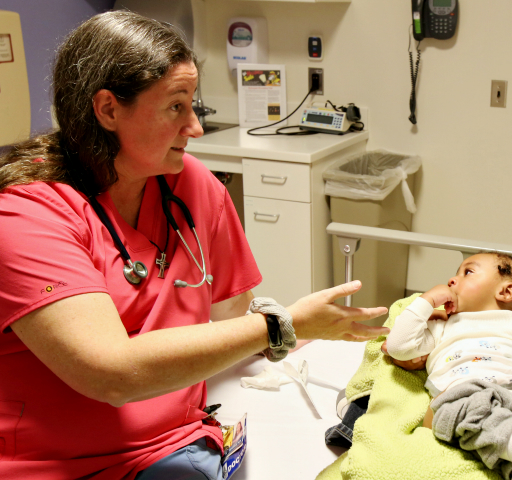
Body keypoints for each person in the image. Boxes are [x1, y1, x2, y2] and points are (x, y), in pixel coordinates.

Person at [0, 11, 388, 480]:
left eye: (193, 105)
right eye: (175, 106)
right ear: (107, 110)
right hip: (60, 464)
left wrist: (317, 332)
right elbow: (111, 374)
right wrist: (277, 326)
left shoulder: (191, 185)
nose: (196, 127)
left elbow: (232, 316)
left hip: (179, 442)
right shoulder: (26, 216)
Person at [386, 253, 512, 480]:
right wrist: (427, 301)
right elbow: (398, 347)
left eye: (467, 272)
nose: (452, 279)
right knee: (472, 412)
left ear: (506, 292)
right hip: (459, 395)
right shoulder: (443, 323)